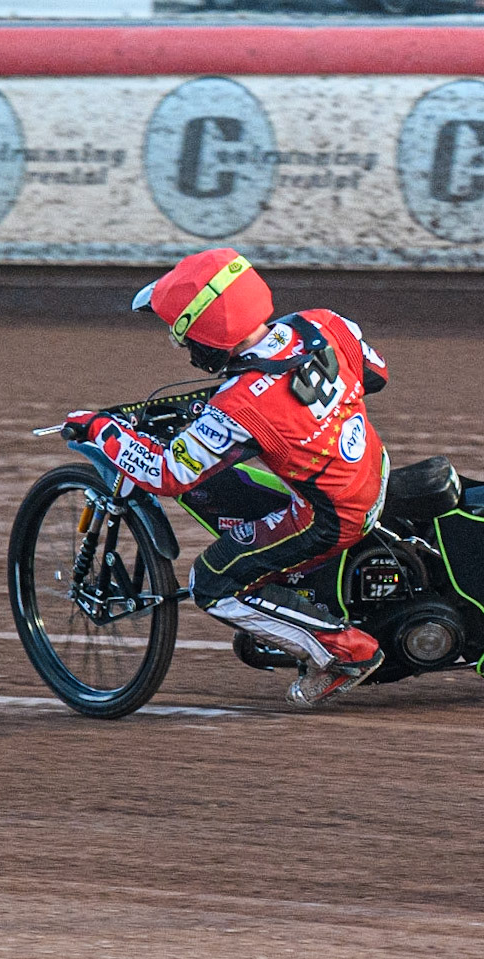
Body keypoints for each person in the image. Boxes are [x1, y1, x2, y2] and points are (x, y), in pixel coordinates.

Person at [62, 248, 390, 708]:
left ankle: (345, 655)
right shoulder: (322, 322)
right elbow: (376, 373)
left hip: (331, 515)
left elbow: (168, 473)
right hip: (372, 466)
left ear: (207, 338)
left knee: (211, 582)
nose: (182, 348)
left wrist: (101, 431)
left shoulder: (236, 407)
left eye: (182, 338)